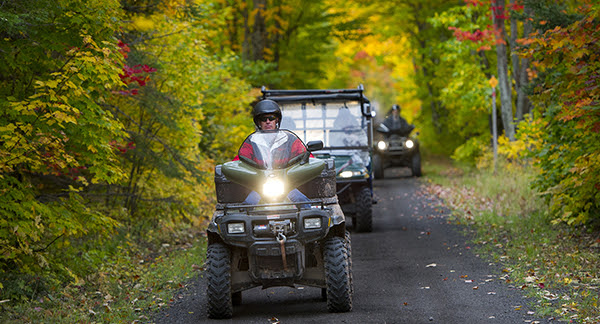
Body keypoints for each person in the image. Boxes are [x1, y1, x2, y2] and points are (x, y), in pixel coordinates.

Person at [236, 99, 310, 207]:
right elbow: (239, 160)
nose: (268, 121)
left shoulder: (289, 139)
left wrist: (309, 159)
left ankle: (311, 223)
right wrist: (232, 167)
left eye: (271, 118)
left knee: (303, 201)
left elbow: (305, 156)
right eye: (263, 119)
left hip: (287, 184)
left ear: (277, 120)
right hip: (260, 186)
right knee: (248, 204)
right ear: (258, 122)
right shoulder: (251, 142)